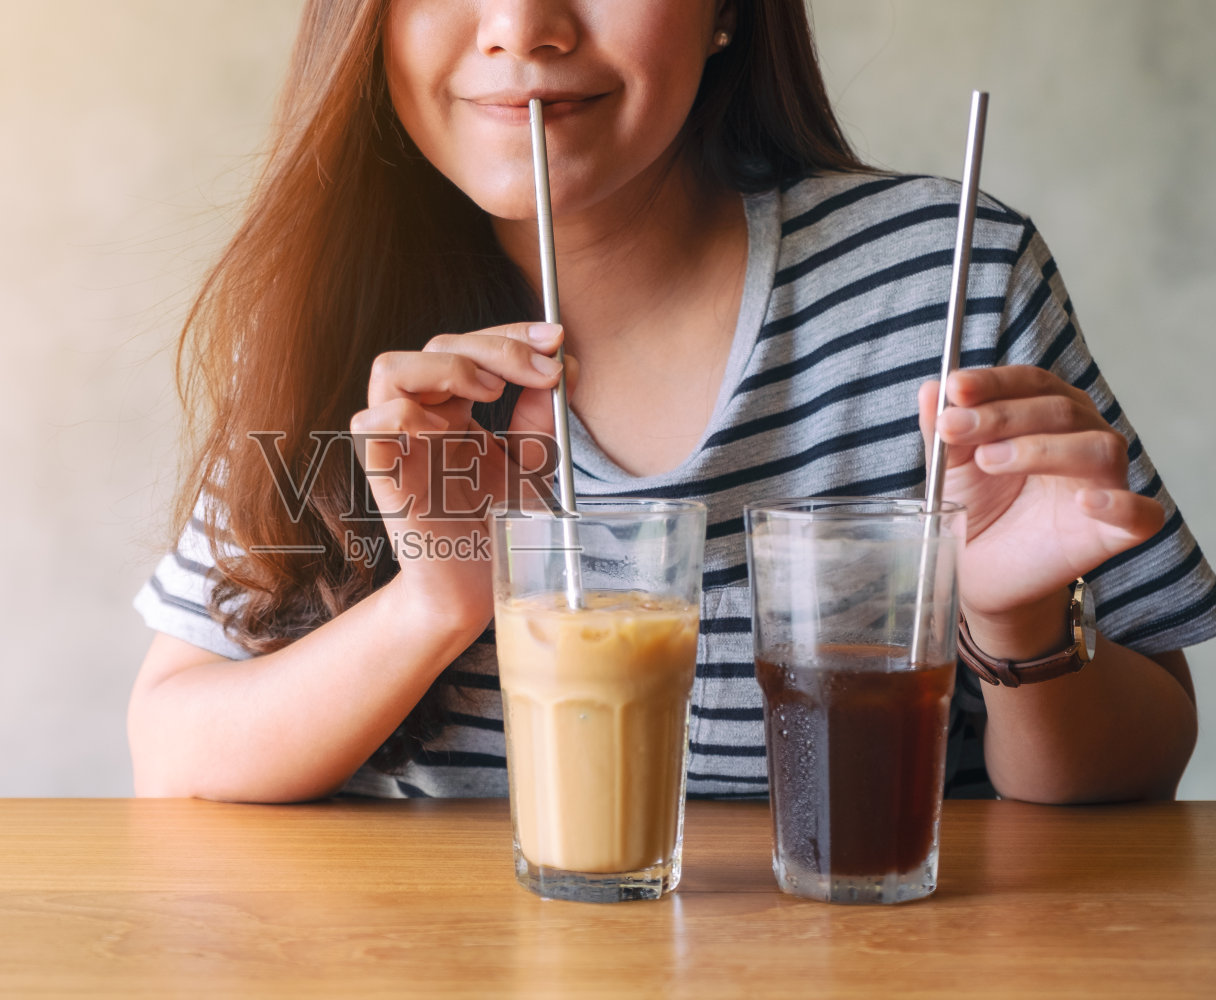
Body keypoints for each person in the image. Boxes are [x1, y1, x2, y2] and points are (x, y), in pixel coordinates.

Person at [127, 0, 1209, 805]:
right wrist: (437, 603)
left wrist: (1012, 623)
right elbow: (174, 750)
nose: (522, 26)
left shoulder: (944, 280)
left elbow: (1142, 761)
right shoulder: (347, 315)